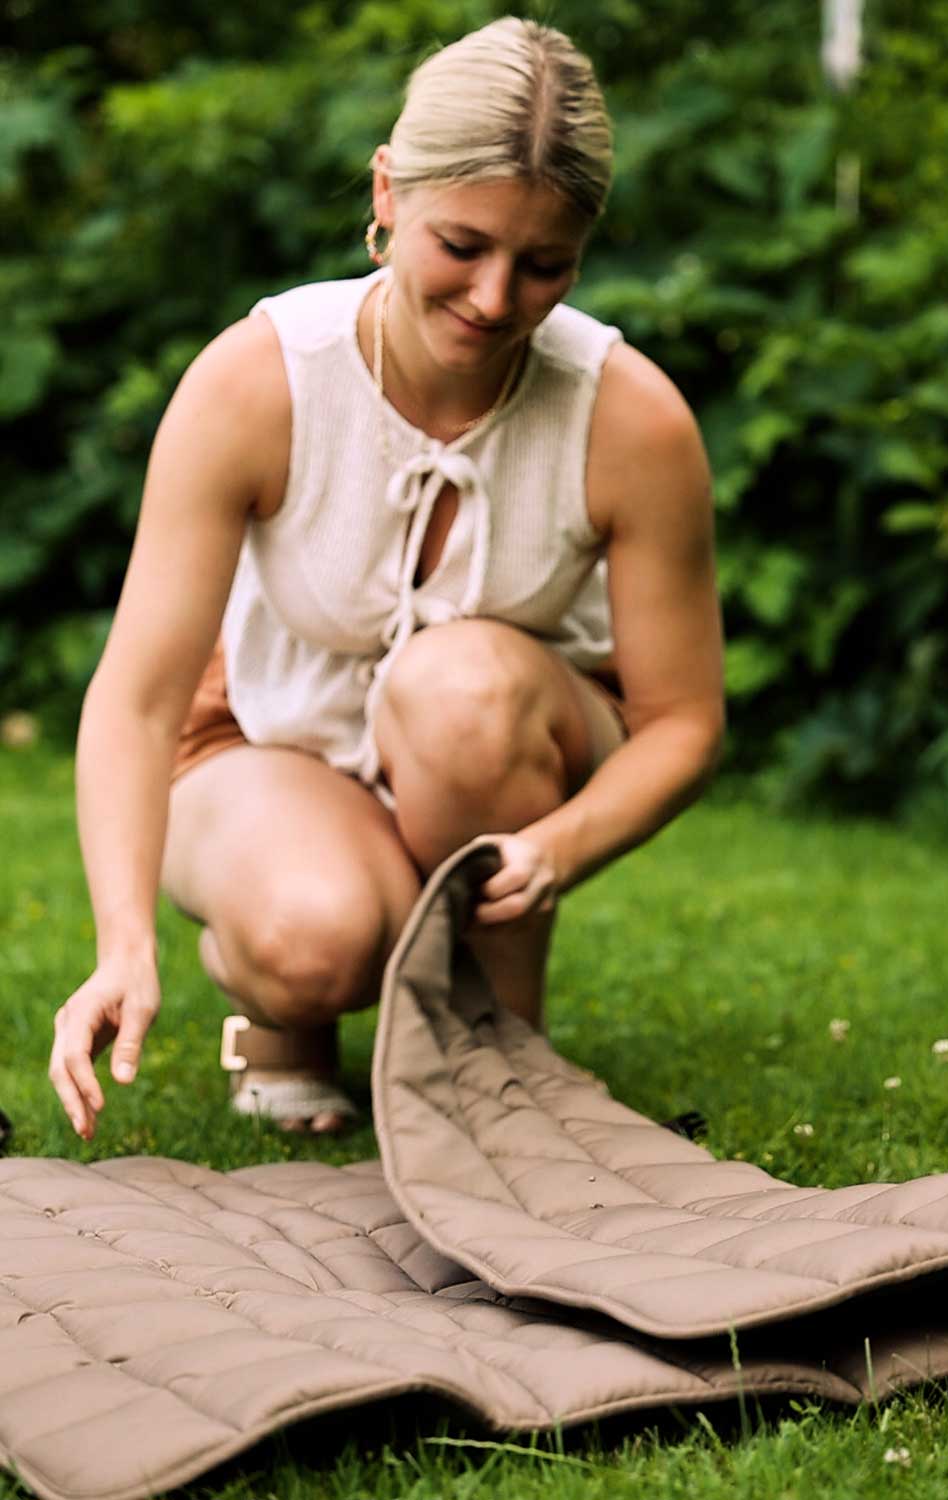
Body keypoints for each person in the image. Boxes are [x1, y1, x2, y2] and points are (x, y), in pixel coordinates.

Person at [48, 16, 725, 1140]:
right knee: (314, 934)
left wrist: (555, 846)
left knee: (455, 685)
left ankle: (497, 1046)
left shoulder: (631, 419)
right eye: (463, 244)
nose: (497, 299)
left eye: (544, 262)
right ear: (389, 193)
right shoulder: (259, 380)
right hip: (265, 741)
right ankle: (286, 1007)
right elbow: (136, 698)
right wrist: (122, 943)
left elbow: (683, 724)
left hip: (505, 744)